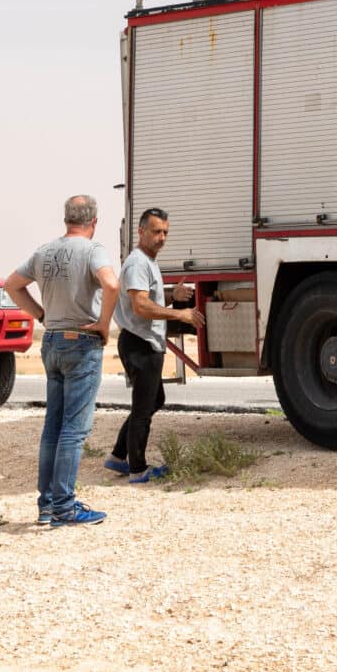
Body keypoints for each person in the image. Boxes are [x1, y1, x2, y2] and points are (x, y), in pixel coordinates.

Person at [3, 194, 120, 527]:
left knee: (52, 427)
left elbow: (12, 285)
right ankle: (66, 508)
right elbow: (111, 284)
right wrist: (103, 323)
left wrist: (40, 315)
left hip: (52, 342)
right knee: (74, 429)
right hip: (81, 343)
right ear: (94, 222)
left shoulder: (44, 251)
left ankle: (47, 505)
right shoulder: (93, 251)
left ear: (67, 219)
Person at [106, 207, 203, 483]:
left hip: (143, 343)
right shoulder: (138, 262)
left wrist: (173, 294)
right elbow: (141, 306)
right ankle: (137, 469)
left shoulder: (148, 261)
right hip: (140, 344)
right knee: (143, 407)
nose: (161, 237)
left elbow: (148, 298)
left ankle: (117, 456)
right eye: (156, 231)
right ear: (141, 231)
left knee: (153, 400)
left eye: (165, 232)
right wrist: (180, 314)